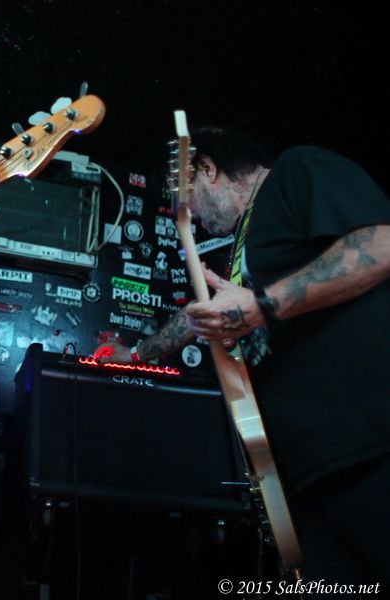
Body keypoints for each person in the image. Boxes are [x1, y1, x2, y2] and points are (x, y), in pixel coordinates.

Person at [93, 128, 390, 590]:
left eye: (185, 199)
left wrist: (263, 306)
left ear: (207, 169)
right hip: (306, 474)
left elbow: (380, 244)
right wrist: (136, 353)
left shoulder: (298, 169)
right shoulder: (243, 245)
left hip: (367, 443)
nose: (188, 217)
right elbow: (200, 313)